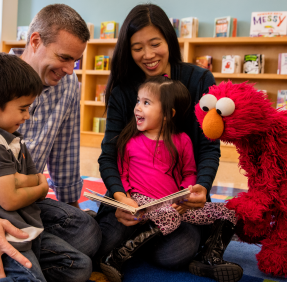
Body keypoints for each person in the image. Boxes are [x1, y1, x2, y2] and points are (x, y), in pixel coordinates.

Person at [0, 4, 101, 282]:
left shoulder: (69, 87)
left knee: (87, 234)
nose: (70, 70)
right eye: (63, 57)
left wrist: (67, 205)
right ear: (35, 40)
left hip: (22, 202)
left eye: (75, 61)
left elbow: (65, 156)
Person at [96, 4, 243, 282]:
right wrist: (119, 198)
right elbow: (108, 156)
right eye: (137, 47)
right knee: (102, 241)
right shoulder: (123, 90)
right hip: (132, 200)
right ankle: (130, 244)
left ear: (169, 41)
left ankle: (199, 254)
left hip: (178, 204)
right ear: (127, 50)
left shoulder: (199, 79)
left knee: (176, 253)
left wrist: (200, 187)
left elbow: (207, 148)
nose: (148, 55)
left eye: (155, 44)